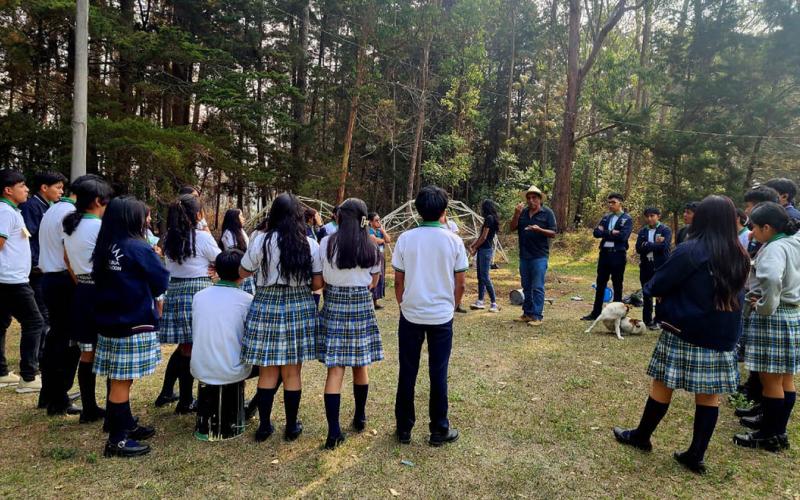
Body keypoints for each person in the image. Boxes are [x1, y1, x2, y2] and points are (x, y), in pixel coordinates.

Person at [613, 196, 750, 474]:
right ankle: (695, 455)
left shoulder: (691, 249)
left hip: (686, 329)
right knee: (709, 396)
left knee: (663, 384)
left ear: (702, 218)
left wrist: (654, 294)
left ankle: (642, 436)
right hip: (723, 334)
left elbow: (659, 283)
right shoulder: (740, 253)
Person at [239, 193, 322, 442]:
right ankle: (291, 426)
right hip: (299, 304)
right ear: (299, 216)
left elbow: (243, 271)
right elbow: (318, 282)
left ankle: (264, 426)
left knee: (267, 371)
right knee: (292, 372)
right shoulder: (310, 244)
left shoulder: (261, 241)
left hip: (266, 304)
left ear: (273, 214)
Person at [92, 197, 170, 458]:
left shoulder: (105, 245)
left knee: (119, 378)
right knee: (122, 382)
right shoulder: (138, 247)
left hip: (109, 319)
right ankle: (117, 441)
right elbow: (160, 281)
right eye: (144, 215)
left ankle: (126, 424)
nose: (147, 220)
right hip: (133, 320)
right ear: (131, 218)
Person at [392, 186, 468, 446]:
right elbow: (461, 283)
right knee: (439, 372)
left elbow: (398, 281)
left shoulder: (405, 238)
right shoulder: (454, 240)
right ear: (444, 211)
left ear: (418, 210)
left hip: (411, 314)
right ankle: (439, 429)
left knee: (408, 371)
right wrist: (453, 306)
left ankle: (403, 428)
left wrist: (403, 303)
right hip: (441, 317)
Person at [317, 198, 384, 449]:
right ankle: (360, 416)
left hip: (334, 302)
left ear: (339, 217)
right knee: (360, 364)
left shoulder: (326, 243)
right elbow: (374, 283)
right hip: (360, 303)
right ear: (364, 219)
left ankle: (333, 432)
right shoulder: (371, 245)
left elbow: (320, 277)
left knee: (335, 369)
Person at [733, 202, 800, 452]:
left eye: (754, 227)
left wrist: (763, 305)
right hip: (791, 313)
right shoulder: (794, 242)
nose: (751, 233)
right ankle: (778, 430)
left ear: (767, 227)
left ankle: (768, 434)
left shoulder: (774, 248)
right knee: (785, 379)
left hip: (774, 316)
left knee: (771, 379)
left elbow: (772, 278)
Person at [156, 194, 221, 413]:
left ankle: (185, 398)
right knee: (200, 348)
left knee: (185, 349)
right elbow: (220, 259)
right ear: (197, 215)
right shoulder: (201, 238)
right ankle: (193, 399)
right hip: (199, 291)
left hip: (176, 290)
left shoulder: (168, 239)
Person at [37, 177, 92, 414]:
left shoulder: (54, 209)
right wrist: (79, 284)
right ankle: (58, 398)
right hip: (63, 280)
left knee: (55, 339)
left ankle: (49, 395)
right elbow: (69, 257)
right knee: (68, 343)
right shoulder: (70, 212)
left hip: (49, 278)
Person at [63, 176, 113, 423]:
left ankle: (89, 408)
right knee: (113, 350)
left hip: (82, 291)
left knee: (87, 352)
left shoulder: (72, 226)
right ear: (97, 201)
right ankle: (114, 408)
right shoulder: (100, 228)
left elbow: (66, 261)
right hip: (102, 292)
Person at [190, 250, 254, 440]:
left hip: (200, 368)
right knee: (277, 370)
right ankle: (251, 408)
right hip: (232, 370)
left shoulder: (199, 296)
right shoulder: (247, 300)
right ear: (243, 271)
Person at [0, 169, 44, 393]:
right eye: (21, 186)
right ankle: (29, 376)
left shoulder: (11, 211)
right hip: (11, 280)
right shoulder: (5, 212)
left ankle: (1, 372)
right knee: (34, 322)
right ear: (8, 190)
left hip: (10, 278)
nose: (27, 189)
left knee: (2, 323)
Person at [20, 171, 67, 367]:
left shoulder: (49, 207)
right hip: (37, 270)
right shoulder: (33, 207)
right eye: (58, 187)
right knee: (40, 317)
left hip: (42, 268)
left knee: (44, 315)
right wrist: (35, 263)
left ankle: (41, 354)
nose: (61, 191)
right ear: (44, 188)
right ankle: (39, 357)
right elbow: (29, 238)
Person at [510, 186, 557, 327]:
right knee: (526, 286)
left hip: (539, 256)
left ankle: (537, 316)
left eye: (534, 198)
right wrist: (516, 214)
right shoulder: (523, 212)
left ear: (540, 199)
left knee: (537, 287)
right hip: (524, 256)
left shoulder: (547, 213)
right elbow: (512, 228)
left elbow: (553, 233)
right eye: (528, 198)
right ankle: (527, 313)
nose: (531, 200)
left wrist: (539, 229)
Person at [582, 193, 633, 322]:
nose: (610, 205)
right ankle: (596, 313)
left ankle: (617, 315)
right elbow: (596, 233)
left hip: (618, 254)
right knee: (600, 284)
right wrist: (610, 232)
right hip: (604, 254)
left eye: (613, 202)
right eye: (609, 202)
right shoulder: (606, 218)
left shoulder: (627, 219)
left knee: (617, 284)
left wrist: (604, 233)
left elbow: (622, 236)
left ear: (620, 203)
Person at [634, 208, 672, 329]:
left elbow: (664, 247)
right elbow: (639, 248)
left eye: (652, 216)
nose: (649, 218)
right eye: (647, 216)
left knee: (660, 294)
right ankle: (647, 320)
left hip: (660, 266)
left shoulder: (665, 230)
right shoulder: (643, 231)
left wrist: (648, 245)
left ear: (658, 216)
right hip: (646, 265)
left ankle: (659, 320)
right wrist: (655, 245)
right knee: (646, 293)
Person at [469, 200, 501, 313]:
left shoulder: (489, 218)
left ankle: (494, 303)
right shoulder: (489, 218)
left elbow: (484, 237)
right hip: (482, 250)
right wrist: (473, 245)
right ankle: (480, 301)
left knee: (485, 277)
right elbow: (481, 236)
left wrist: (475, 248)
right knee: (480, 277)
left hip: (486, 250)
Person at [220, 208, 255, 295]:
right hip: (237, 272)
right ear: (234, 218)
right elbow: (234, 254)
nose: (244, 218)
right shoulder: (228, 234)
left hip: (245, 270)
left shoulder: (240, 231)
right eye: (241, 216)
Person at [368, 212, 391, 310]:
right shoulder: (368, 230)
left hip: (381, 256)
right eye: (376, 220)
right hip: (372, 256)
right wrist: (382, 240)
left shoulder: (379, 231)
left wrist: (382, 230)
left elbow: (388, 240)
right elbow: (374, 240)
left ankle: (375, 301)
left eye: (379, 220)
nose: (379, 222)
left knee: (380, 277)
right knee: (373, 277)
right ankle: (370, 301)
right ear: (370, 222)